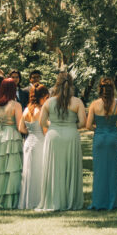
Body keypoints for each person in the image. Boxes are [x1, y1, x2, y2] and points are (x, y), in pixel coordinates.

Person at [36, 71, 86, 211]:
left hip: (53, 136)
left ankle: (54, 200)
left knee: (54, 169)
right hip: (71, 136)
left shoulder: (48, 102)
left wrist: (54, 125)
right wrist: (70, 126)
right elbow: (82, 123)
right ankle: (70, 201)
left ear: (57, 84)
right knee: (70, 168)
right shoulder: (77, 102)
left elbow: (42, 122)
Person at [87, 77, 117, 210]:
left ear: (100, 89)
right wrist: (114, 129)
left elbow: (88, 125)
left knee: (99, 172)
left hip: (99, 138)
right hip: (112, 138)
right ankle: (113, 202)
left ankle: (98, 202)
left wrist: (98, 130)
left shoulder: (94, 104)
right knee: (113, 172)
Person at [0, 77, 24, 208]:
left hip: (0, 135)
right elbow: (20, 124)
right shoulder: (16, 105)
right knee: (12, 168)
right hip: (12, 134)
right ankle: (11, 199)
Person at [18, 84, 49, 210]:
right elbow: (45, 130)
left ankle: (27, 200)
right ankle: (37, 200)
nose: (47, 100)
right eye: (46, 97)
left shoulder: (26, 110)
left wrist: (31, 132)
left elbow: (21, 128)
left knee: (29, 172)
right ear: (41, 97)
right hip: (39, 142)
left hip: (28, 142)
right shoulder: (40, 111)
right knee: (39, 171)